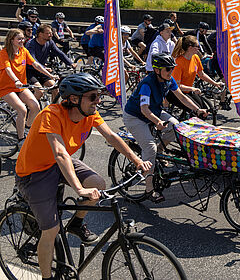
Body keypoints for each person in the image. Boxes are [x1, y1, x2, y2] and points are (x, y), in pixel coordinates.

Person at [14, 73, 152, 279]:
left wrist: (136, 160)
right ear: (73, 99)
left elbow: (112, 136)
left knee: (98, 184)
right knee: (51, 231)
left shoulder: (89, 114)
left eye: (98, 96)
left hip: (58, 163)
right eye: (93, 97)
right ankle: (46, 277)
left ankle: (76, 224)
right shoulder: (51, 114)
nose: (98, 101)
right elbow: (60, 153)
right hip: (34, 172)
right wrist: (79, 189)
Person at [123, 53, 206, 202]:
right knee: (150, 149)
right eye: (168, 69)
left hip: (154, 111)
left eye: (172, 69)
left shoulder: (169, 80)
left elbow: (181, 97)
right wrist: (157, 122)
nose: (171, 72)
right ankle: (149, 189)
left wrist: (197, 109)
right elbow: (144, 109)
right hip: (136, 117)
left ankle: (160, 150)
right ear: (157, 70)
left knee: (177, 127)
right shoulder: (147, 84)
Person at [0, 29, 57, 145]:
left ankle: (26, 128)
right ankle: (21, 140)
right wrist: (16, 80)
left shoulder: (23, 51)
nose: (22, 41)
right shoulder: (4, 53)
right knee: (22, 109)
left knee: (35, 106)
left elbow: (35, 64)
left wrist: (50, 75)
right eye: (19, 39)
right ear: (12, 40)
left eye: (23, 38)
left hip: (21, 87)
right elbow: (8, 69)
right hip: (7, 87)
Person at [169, 35, 225, 116]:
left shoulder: (195, 57)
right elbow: (176, 86)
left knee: (205, 110)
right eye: (197, 46)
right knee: (197, 112)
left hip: (188, 91)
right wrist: (192, 89)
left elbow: (201, 74)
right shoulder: (179, 62)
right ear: (190, 47)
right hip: (177, 93)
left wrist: (215, 84)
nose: (199, 48)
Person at [26, 24, 76, 102]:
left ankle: (52, 110)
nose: (51, 35)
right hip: (30, 71)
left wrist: (70, 63)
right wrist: (45, 68)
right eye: (48, 33)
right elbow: (33, 60)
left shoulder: (50, 42)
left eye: (51, 33)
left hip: (42, 71)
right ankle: (30, 108)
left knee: (55, 88)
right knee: (40, 91)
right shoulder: (30, 44)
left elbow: (59, 53)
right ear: (40, 34)